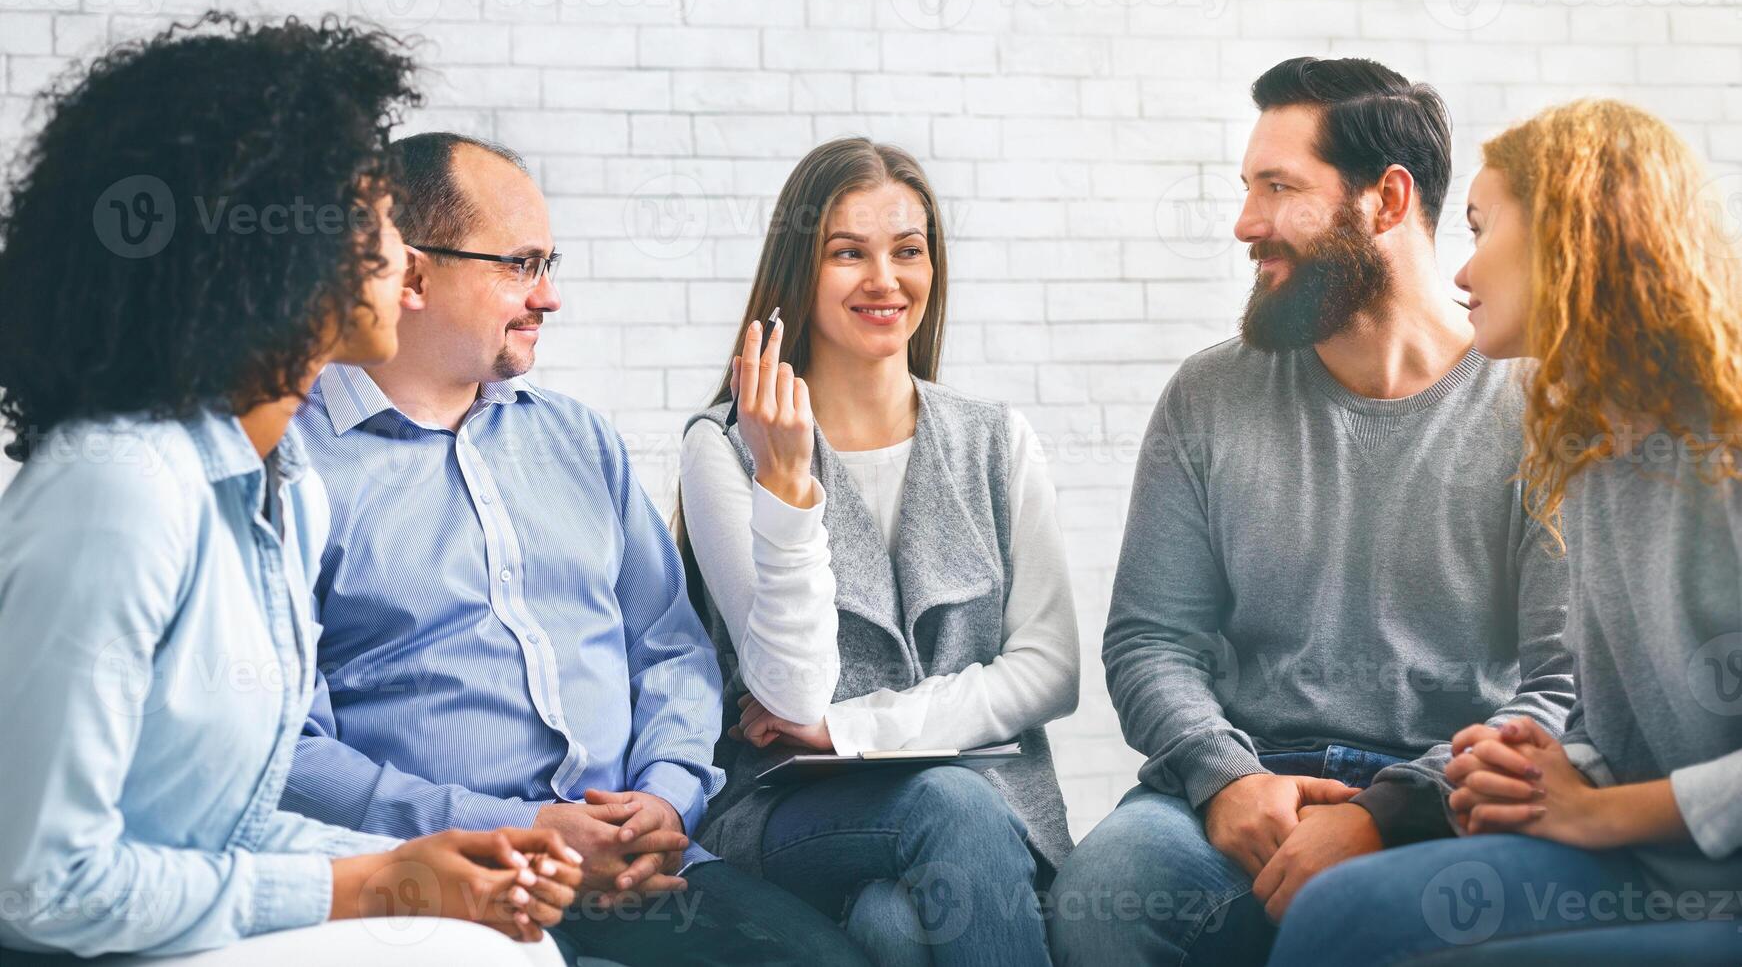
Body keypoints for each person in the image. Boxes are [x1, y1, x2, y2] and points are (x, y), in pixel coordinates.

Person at [0, 16, 579, 965]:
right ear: (263, 245)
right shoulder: (118, 492)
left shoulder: (285, 488)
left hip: (176, 930)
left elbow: (222, 830)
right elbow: (39, 886)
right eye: (370, 213)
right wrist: (371, 884)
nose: (400, 253)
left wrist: (430, 865)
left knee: (498, 942)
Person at [279, 131, 868, 967]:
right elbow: (289, 756)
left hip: (649, 869)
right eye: (520, 266)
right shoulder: (295, 468)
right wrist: (518, 829)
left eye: (550, 264)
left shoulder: (579, 441)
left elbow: (668, 649)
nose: (548, 297)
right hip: (448, 888)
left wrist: (664, 799)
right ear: (412, 273)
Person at [1047, 57, 1576, 967]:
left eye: (1279, 189)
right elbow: (1149, 641)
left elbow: (1564, 684)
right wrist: (1226, 779)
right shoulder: (1209, 395)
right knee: (1102, 896)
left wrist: (1388, 815)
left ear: (1385, 200)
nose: (1247, 225)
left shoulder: (1542, 412)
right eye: (1247, 190)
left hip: (1446, 796)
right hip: (1240, 780)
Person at [1269, 98, 1742, 965]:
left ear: (1574, 238)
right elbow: (1614, 732)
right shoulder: (1591, 455)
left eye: (1484, 229)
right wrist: (1526, 773)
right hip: (1653, 866)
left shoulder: (1728, 447)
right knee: (1338, 916)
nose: (1462, 272)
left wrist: (1596, 809)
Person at [675, 137, 1081, 967]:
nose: (885, 280)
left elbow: (1049, 670)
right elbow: (788, 689)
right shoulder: (723, 447)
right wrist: (786, 481)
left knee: (896, 928)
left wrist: (855, 728)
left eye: (908, 251)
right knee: (949, 805)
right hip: (795, 813)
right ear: (799, 271)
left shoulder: (997, 441)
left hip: (995, 813)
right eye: (847, 253)